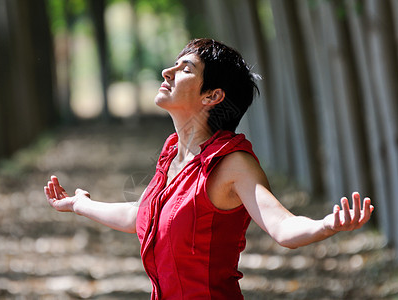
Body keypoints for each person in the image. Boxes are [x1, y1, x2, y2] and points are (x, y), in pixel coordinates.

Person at [44, 38, 374, 299]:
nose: (166, 72)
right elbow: (141, 216)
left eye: (185, 68)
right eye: (173, 64)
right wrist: (79, 204)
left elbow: (282, 228)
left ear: (212, 95)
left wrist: (327, 225)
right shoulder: (173, 153)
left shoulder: (233, 164)